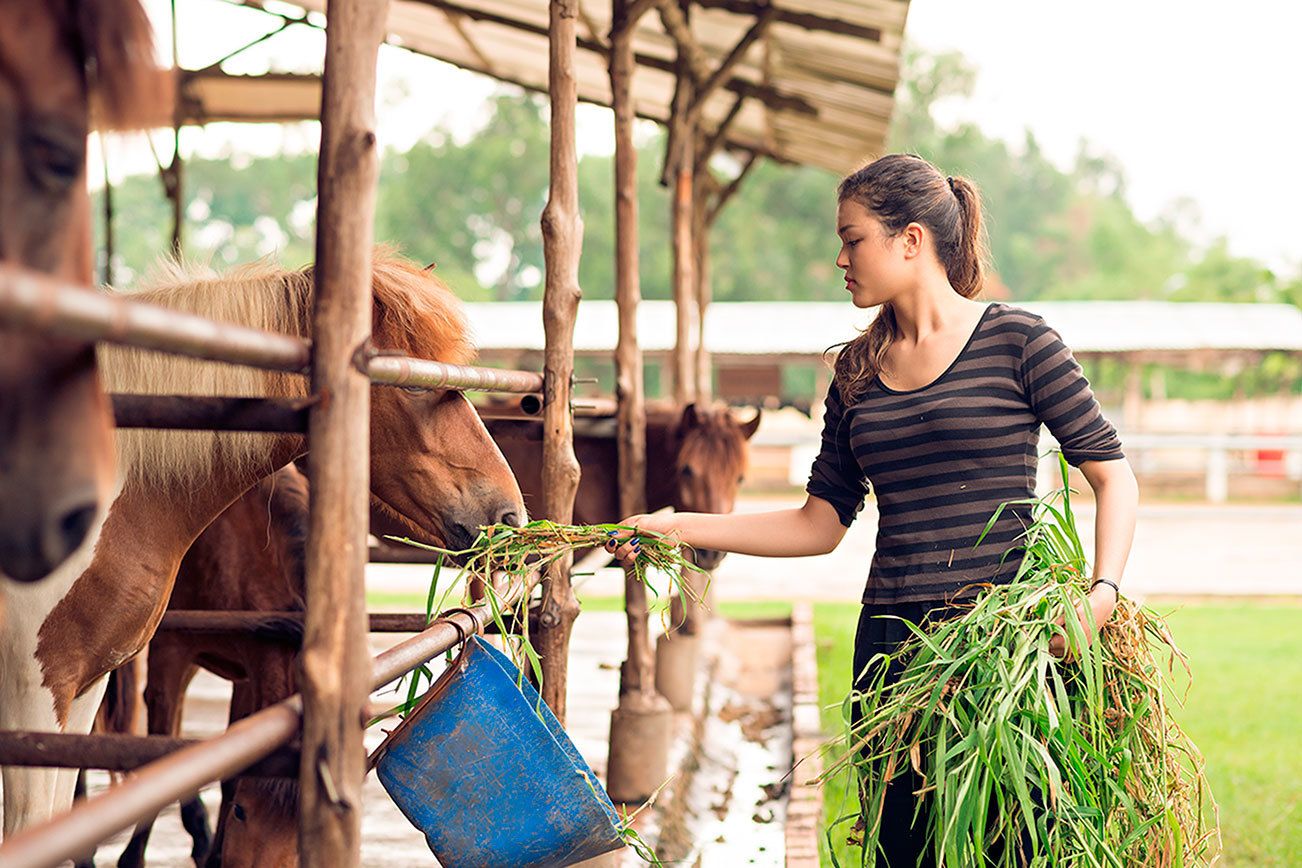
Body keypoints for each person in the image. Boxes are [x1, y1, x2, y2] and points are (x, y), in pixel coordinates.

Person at [607, 153, 1139, 866]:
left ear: (910, 240)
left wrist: (1100, 595)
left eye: (853, 239)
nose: (839, 258)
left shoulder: (1021, 342)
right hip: (892, 652)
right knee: (901, 849)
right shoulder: (854, 373)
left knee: (1014, 845)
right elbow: (818, 523)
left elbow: (1113, 476)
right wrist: (678, 524)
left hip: (1011, 648)